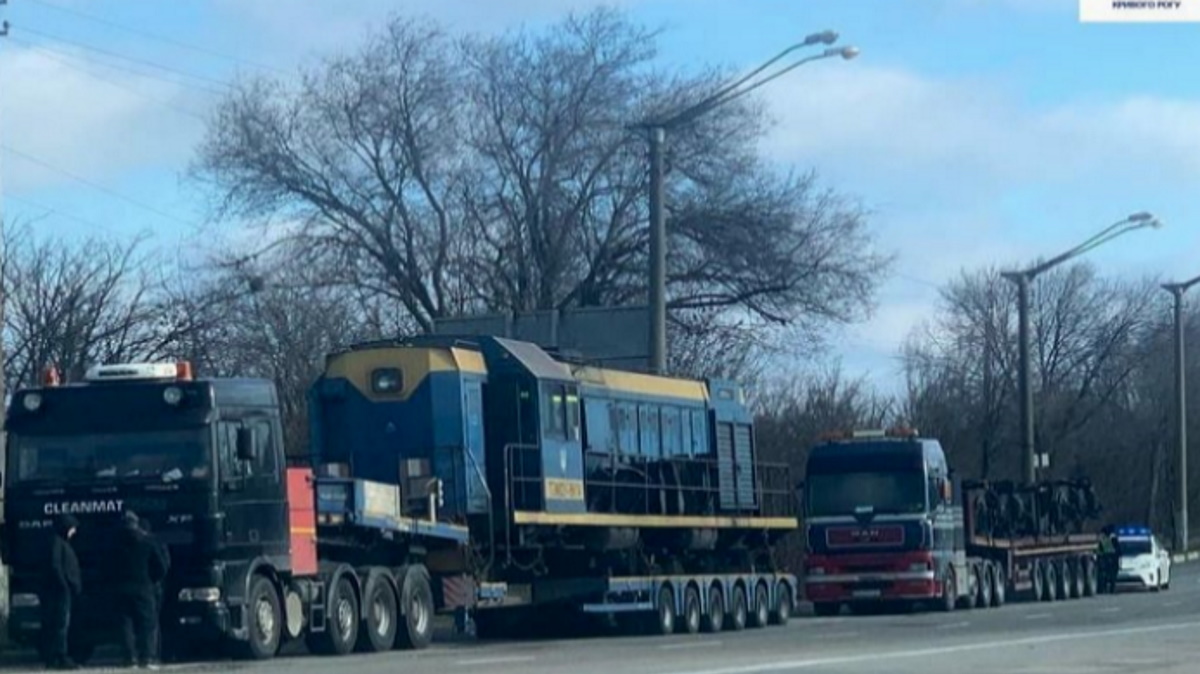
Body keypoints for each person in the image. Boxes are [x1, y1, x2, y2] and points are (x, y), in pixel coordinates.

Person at [111, 511, 167, 669]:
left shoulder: (115, 544)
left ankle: (129, 658)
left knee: (125, 625)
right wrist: (152, 580)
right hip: (144, 588)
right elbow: (161, 567)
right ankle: (147, 657)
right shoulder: (148, 542)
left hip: (121, 588)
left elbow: (107, 567)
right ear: (136, 523)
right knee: (147, 624)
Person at [40, 515, 82, 670]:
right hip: (59, 592)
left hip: (61, 590)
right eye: (72, 528)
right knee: (60, 624)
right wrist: (64, 585)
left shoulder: (60, 543)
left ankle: (55, 657)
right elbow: (55, 565)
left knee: (59, 624)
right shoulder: (57, 543)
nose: (74, 531)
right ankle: (60, 656)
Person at [139, 517, 171, 661]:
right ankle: (154, 654)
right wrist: (156, 579)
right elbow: (163, 565)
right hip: (154, 586)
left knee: (147, 622)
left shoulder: (141, 543)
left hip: (147, 585)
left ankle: (144, 654)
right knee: (153, 622)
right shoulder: (156, 543)